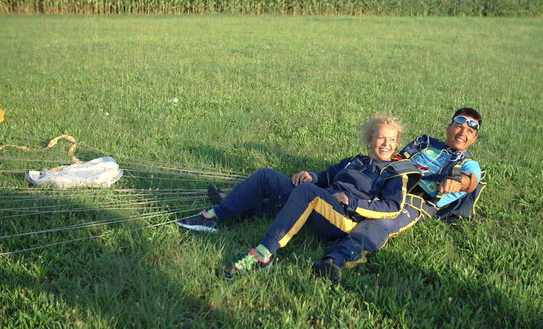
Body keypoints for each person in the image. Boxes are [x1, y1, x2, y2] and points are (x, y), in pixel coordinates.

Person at [176, 114, 420, 282]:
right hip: (321, 198)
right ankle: (214, 216)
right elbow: (328, 175)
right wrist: (311, 176)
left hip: (342, 218)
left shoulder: (396, 173)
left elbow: (392, 207)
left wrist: (353, 201)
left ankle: (263, 254)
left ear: (397, 143)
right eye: (380, 138)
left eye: (391, 140)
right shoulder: (355, 160)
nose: (386, 144)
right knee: (267, 176)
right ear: (370, 140)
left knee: (306, 194)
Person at [311, 107, 484, 283]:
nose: (463, 132)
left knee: (380, 224)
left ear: (474, 138)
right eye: (459, 126)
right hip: (387, 179)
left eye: (470, 131)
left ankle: (333, 261)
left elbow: (471, 180)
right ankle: (303, 200)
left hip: (416, 199)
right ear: (449, 127)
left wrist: (457, 181)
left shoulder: (468, 162)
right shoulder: (425, 143)